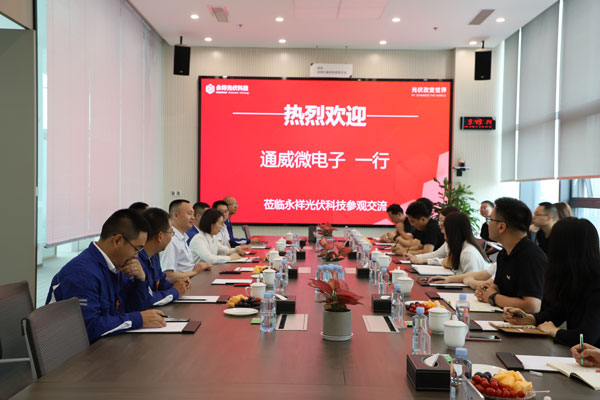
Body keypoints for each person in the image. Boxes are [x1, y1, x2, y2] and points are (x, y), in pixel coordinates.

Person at [45, 209, 166, 343]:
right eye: (136, 249)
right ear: (117, 240)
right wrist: (138, 319)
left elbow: (135, 309)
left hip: (105, 344)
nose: (137, 256)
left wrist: (140, 280)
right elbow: (89, 328)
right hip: (70, 351)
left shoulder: (118, 266)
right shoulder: (82, 273)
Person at [503, 218, 600, 347]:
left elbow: (586, 338)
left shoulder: (596, 283)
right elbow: (559, 311)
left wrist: (554, 331)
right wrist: (530, 319)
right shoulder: (577, 276)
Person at [474, 197, 547, 313]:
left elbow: (532, 306)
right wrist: (486, 290)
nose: (488, 224)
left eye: (490, 220)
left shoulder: (531, 257)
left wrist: (493, 297)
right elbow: (498, 286)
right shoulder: (504, 253)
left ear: (501, 227)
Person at [140, 207, 191, 306]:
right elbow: (148, 299)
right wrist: (175, 291)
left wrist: (178, 284)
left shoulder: (153, 255)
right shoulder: (136, 260)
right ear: (160, 236)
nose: (172, 236)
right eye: (171, 233)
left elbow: (161, 282)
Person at [416, 212, 489, 274]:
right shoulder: (458, 246)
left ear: (452, 230)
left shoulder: (468, 253)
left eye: (444, 226)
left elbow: (469, 281)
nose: (442, 229)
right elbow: (447, 262)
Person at [160, 199, 212, 281]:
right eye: (189, 213)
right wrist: (195, 271)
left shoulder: (182, 237)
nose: (193, 218)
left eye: (193, 214)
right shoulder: (171, 240)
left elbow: (184, 268)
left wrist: (199, 268)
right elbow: (168, 276)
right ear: (176, 215)